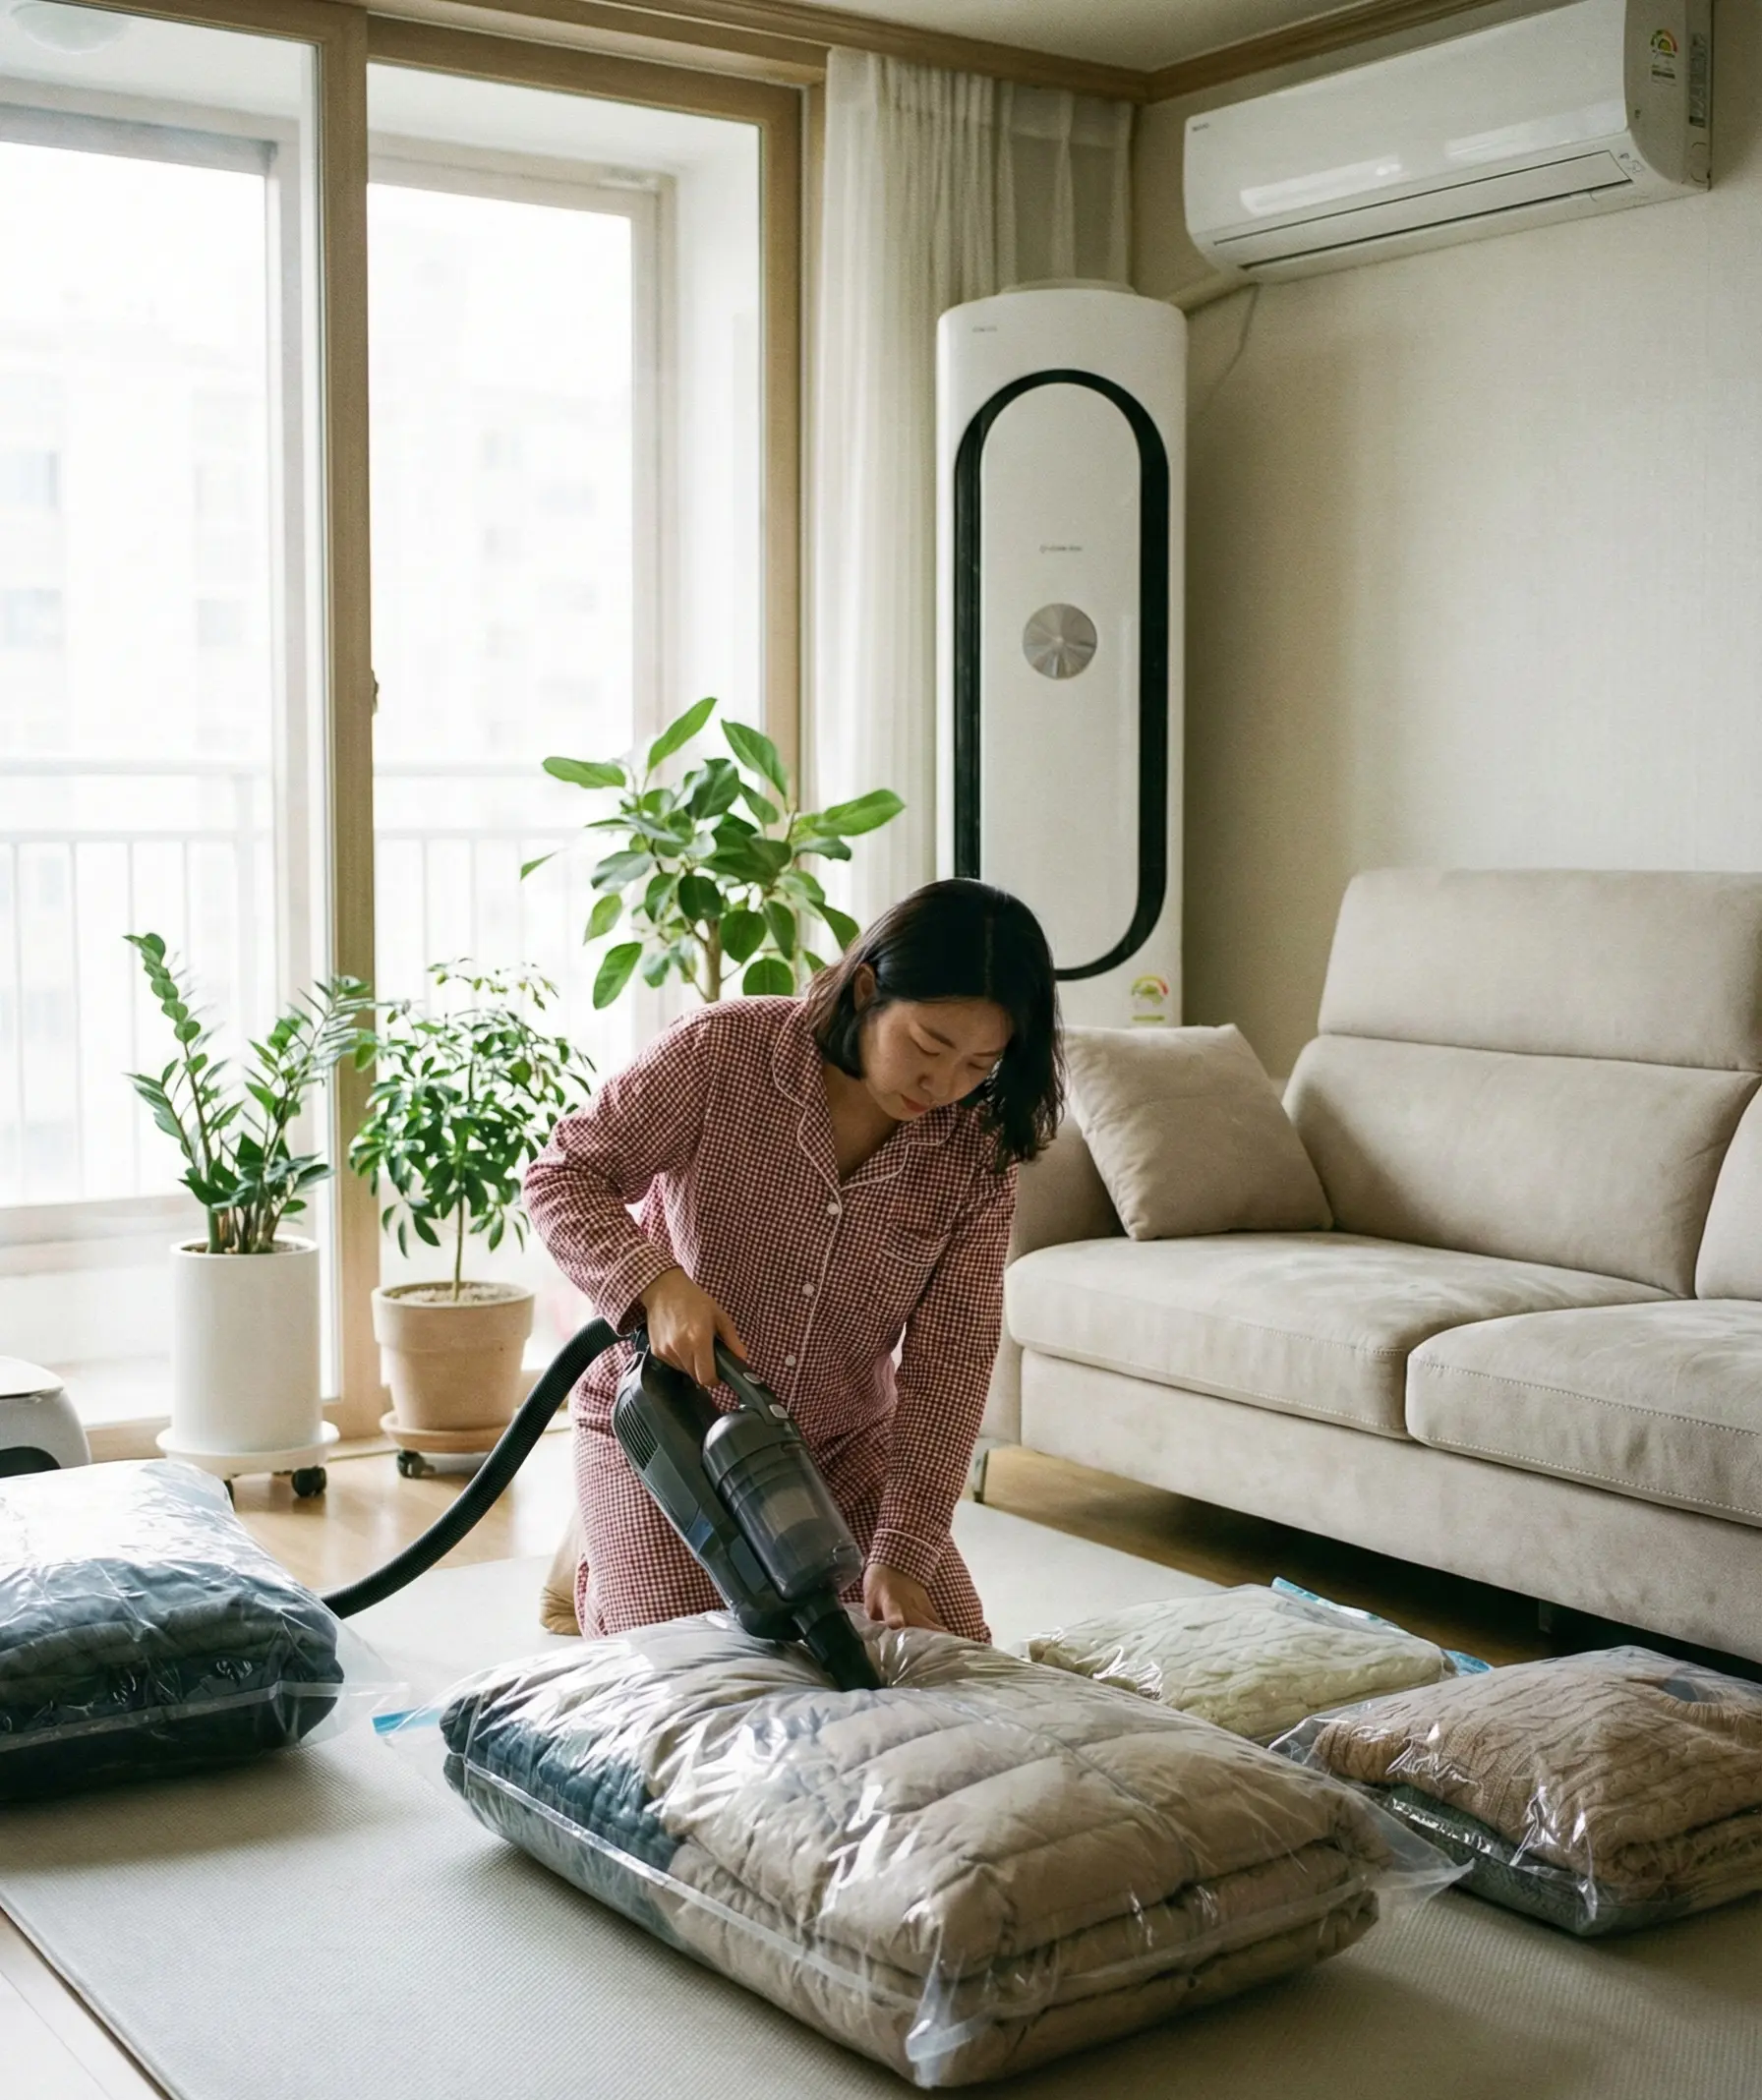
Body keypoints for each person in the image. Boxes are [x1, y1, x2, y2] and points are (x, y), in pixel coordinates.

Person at [523, 878, 1063, 1642]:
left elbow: (952, 1362)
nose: (943, 1085)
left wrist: (904, 1549)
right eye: (928, 1045)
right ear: (868, 989)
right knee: (701, 1663)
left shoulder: (976, 1154)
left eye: (979, 1065)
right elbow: (564, 1173)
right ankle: (599, 1545)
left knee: (950, 1657)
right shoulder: (722, 1050)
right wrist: (658, 1285)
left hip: (841, 1445)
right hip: (670, 1424)